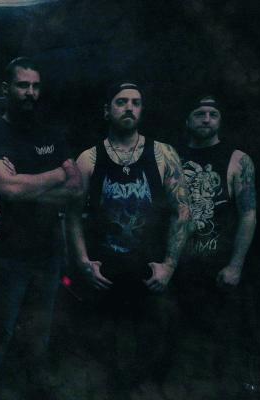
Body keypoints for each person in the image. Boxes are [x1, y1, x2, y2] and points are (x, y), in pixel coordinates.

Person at [66, 80, 189, 398]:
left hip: (151, 271)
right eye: (121, 102)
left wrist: (170, 265)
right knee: (104, 355)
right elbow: (72, 215)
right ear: (107, 110)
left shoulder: (163, 154)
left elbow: (183, 211)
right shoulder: (89, 159)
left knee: (153, 348)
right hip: (104, 272)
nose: (129, 108)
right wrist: (83, 262)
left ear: (142, 109)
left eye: (135, 102)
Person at [0, 57, 82, 395]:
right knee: (0, 332)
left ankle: (35, 387)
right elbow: (7, 188)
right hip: (7, 256)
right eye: (23, 85)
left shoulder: (50, 133)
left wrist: (25, 187)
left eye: (35, 86)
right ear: (7, 88)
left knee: (40, 329)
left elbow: (76, 187)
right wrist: (56, 174)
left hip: (48, 254)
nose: (30, 92)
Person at [174, 95, 257, 395]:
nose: (207, 119)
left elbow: (248, 214)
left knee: (223, 350)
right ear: (188, 120)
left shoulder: (237, 159)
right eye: (200, 113)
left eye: (213, 114)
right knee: (177, 349)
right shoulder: (171, 157)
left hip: (219, 271)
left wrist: (236, 265)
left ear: (220, 120)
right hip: (178, 269)